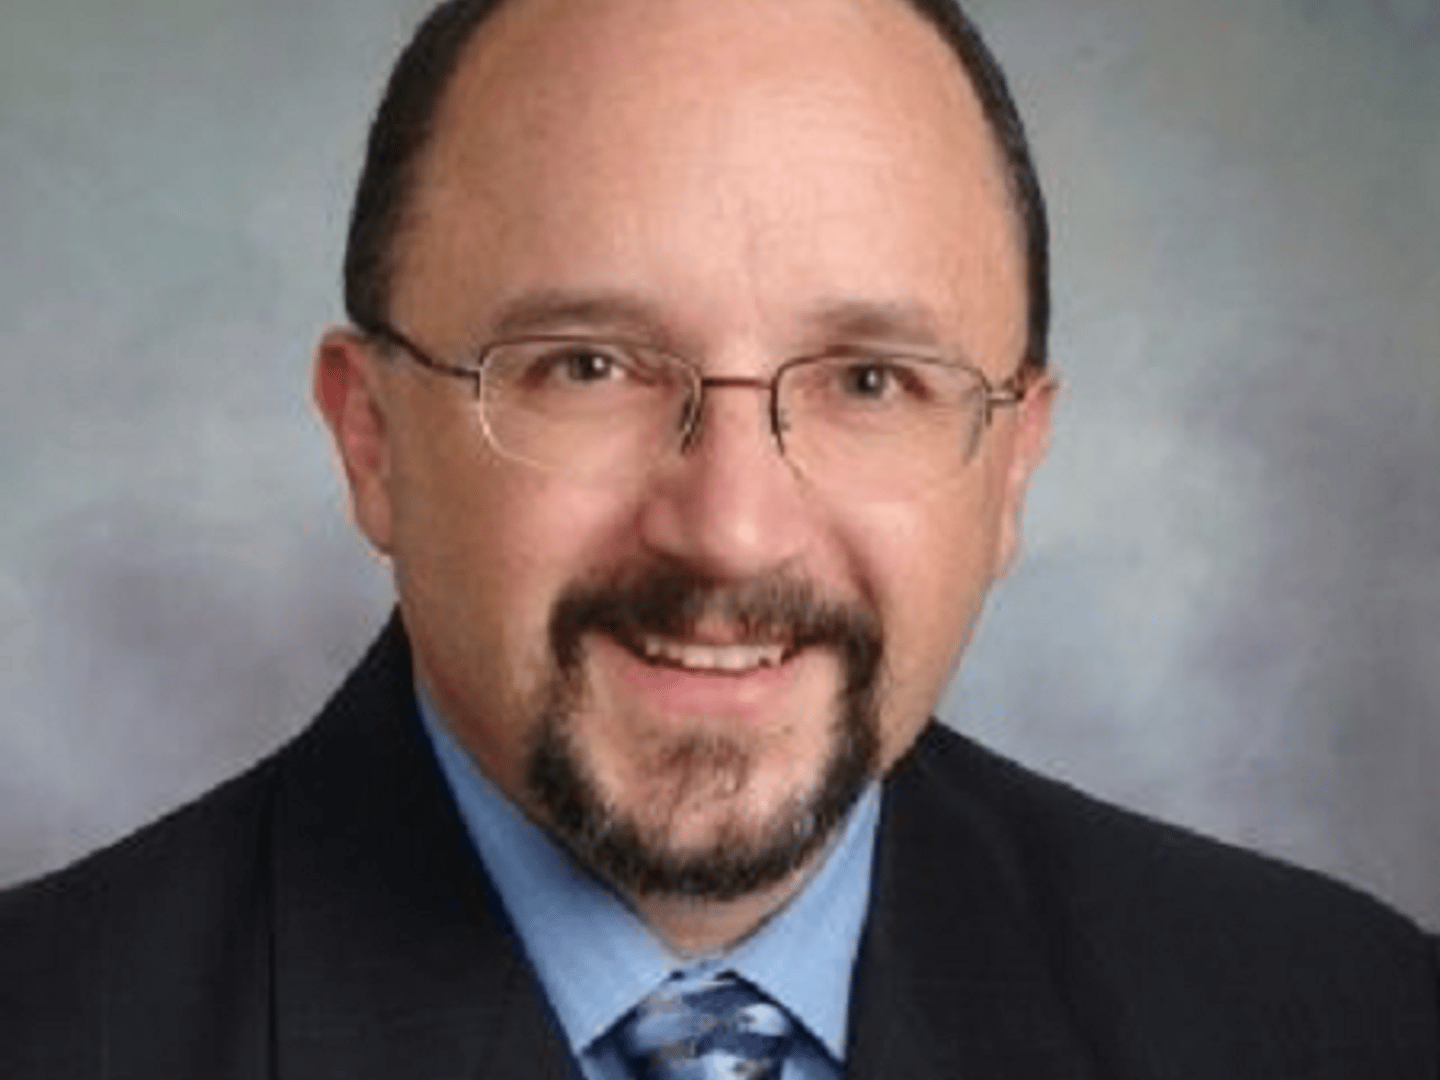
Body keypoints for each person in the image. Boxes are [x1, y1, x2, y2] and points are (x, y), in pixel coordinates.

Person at [2, 0, 1435, 1075]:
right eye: (587, 367)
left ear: (1012, 467)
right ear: (370, 439)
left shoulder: (1341, 1020)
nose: (731, 530)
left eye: (869, 381)